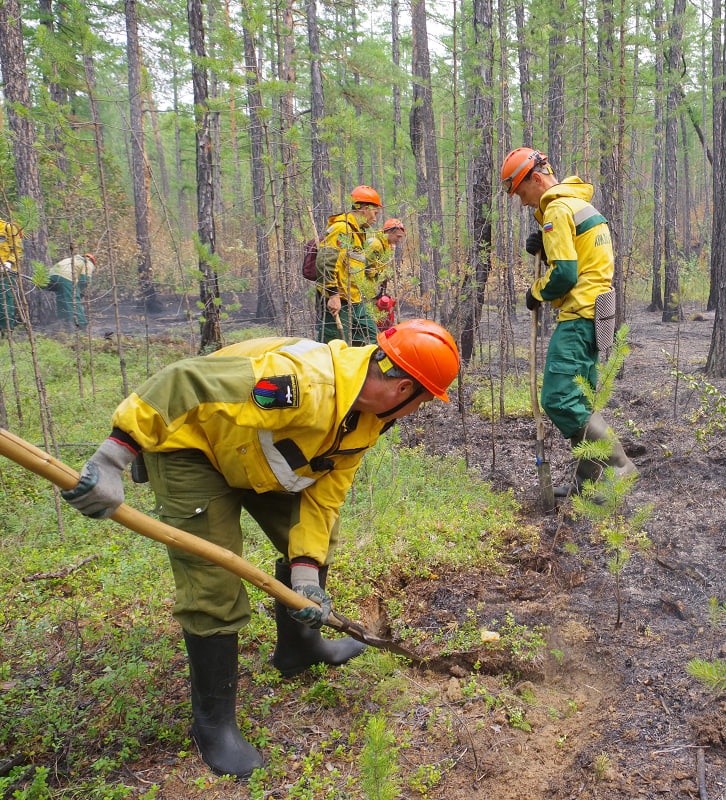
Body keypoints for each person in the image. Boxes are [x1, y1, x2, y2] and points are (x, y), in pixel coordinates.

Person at [60, 319, 460, 779]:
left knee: (314, 543)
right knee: (214, 581)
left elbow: (324, 496)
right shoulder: (302, 383)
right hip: (196, 450)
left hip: (255, 460)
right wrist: (114, 455)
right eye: (424, 401)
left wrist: (306, 577)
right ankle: (213, 725)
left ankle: (299, 650)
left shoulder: (369, 418)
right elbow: (181, 381)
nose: (418, 410)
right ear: (403, 388)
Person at [500, 146, 636, 496]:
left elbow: (564, 275)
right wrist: (544, 250)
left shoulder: (557, 209)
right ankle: (589, 481)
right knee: (581, 397)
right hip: (597, 312)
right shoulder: (577, 204)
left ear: (536, 177)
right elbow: (583, 258)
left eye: (521, 192)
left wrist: (537, 291)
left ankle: (619, 469)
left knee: (560, 398)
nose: (522, 202)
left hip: (578, 317)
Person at [316, 185, 383, 346]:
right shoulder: (342, 228)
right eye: (375, 213)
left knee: (372, 341)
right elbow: (325, 261)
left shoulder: (358, 232)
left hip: (355, 300)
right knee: (335, 348)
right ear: (365, 209)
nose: (375, 219)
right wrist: (332, 295)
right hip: (339, 301)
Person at [365, 218, 406, 328]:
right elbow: (367, 270)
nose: (399, 240)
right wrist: (382, 275)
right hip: (366, 293)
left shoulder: (386, 244)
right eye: (398, 237)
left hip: (374, 292)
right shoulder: (375, 245)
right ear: (388, 232)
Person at [47, 252, 97, 328]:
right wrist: (81, 294)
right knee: (74, 301)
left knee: (61, 299)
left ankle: (64, 322)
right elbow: (84, 280)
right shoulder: (88, 262)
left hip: (52, 276)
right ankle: (82, 326)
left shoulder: (71, 259)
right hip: (66, 277)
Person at [0, 219, 23, 334]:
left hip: (6, 274)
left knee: (5, 304)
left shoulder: (8, 227)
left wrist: (8, 263)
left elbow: (18, 249)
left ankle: (6, 333)